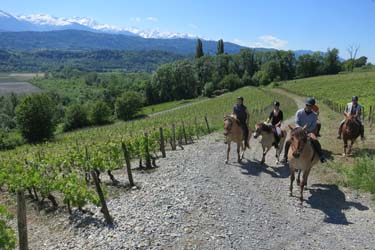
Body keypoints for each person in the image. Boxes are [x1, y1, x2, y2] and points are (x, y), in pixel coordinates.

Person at [281, 97, 326, 164]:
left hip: (308, 131)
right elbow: (296, 122)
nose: (308, 107)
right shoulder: (299, 112)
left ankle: (321, 155)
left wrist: (306, 130)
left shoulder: (314, 115)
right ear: (305, 105)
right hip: (298, 131)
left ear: (313, 106)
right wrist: (301, 129)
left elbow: (313, 125)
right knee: (288, 141)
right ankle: (285, 157)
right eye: (307, 105)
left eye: (310, 106)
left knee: (315, 140)